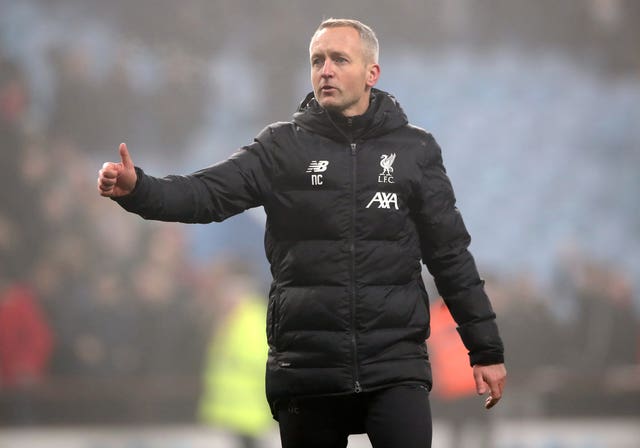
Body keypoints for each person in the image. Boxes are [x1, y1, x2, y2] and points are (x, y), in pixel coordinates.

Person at [97, 18, 506, 448]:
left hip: (395, 367)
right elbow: (206, 194)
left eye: (339, 59)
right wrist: (139, 189)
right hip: (308, 371)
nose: (325, 69)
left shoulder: (415, 150)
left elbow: (451, 256)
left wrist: (486, 350)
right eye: (317, 60)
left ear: (372, 73)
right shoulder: (281, 147)